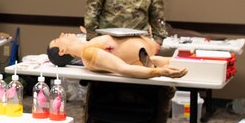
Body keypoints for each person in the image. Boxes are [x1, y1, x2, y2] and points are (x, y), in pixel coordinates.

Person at [82, 0, 172, 123]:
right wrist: (92, 43)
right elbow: (92, 12)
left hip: (136, 47)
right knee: (104, 91)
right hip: (108, 46)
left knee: (143, 91)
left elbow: (158, 16)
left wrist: (157, 42)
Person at [47, 32, 186, 79]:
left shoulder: (89, 47)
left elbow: (129, 58)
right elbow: (123, 68)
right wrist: (159, 72)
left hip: (148, 58)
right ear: (62, 51)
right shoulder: (88, 54)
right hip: (146, 64)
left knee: (195, 66)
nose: (61, 35)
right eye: (57, 40)